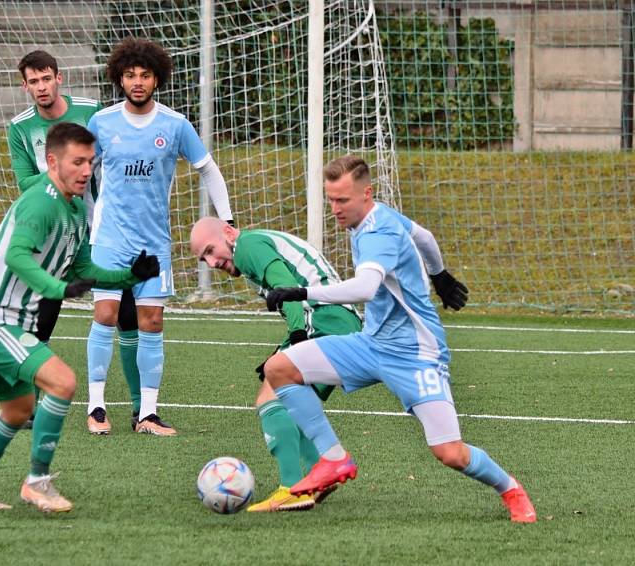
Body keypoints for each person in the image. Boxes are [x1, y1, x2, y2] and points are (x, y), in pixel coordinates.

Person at [262, 155, 537, 523]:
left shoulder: (378, 234)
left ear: (366, 194)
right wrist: (440, 275)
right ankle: (332, 459)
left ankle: (510, 489)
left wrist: (301, 292)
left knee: (450, 452)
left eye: (342, 200)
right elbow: (423, 236)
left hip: (416, 354)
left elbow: (364, 287)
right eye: (330, 199)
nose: (335, 209)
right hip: (371, 344)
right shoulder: (380, 215)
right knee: (279, 369)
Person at [0, 122, 160, 513]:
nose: (86, 171)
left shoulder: (75, 208)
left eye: (91, 163)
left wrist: (132, 275)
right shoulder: (40, 201)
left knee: (16, 410)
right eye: (77, 162)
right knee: (62, 381)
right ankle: (37, 483)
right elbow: (17, 255)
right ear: (52, 161)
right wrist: (57, 289)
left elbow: (84, 269)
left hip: (12, 322)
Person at [85, 38, 234, 436]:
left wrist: (228, 219)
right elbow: (81, 173)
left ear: (157, 79)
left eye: (145, 75)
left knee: (151, 323)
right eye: (130, 75)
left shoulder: (175, 124)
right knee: (105, 314)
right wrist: (79, 220)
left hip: (153, 243)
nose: (137, 82)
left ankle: (147, 415)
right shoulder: (101, 123)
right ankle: (96, 408)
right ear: (119, 78)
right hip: (110, 239)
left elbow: (208, 169)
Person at [190, 217, 362, 512]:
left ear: (229, 233)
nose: (211, 262)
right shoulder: (254, 246)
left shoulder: (247, 246)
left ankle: (293, 488)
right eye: (203, 258)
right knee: (289, 396)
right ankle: (316, 473)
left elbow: (288, 287)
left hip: (324, 319)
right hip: (337, 319)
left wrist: (295, 338)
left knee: (270, 394)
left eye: (210, 250)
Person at [8, 50, 141, 428]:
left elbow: (112, 159)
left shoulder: (89, 112)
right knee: (40, 319)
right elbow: (24, 183)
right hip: (53, 234)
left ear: (58, 77)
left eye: (46, 78)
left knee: (127, 316)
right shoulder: (20, 128)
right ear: (25, 86)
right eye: (33, 81)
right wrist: (64, 175)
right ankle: (28, 408)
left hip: (102, 229)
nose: (41, 87)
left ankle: (140, 410)